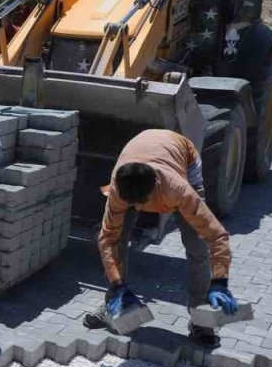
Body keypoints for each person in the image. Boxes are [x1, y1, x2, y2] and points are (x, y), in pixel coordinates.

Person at [85, 128, 240, 348]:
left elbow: (217, 237)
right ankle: (113, 305)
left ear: (156, 186)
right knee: (117, 241)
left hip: (183, 159)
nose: (138, 209)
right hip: (140, 150)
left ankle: (202, 322)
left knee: (197, 248)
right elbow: (107, 239)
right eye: (133, 204)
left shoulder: (180, 190)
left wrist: (220, 282)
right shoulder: (118, 189)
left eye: (142, 203)